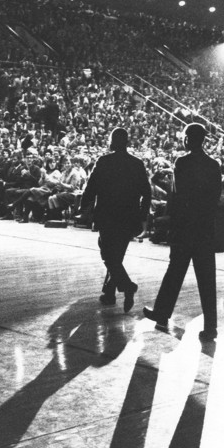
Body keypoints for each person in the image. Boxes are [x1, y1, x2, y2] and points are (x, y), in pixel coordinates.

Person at [143, 123, 223, 343]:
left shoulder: (182, 162)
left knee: (175, 272)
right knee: (207, 279)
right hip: (204, 228)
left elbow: (177, 197)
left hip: (185, 227)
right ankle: (211, 327)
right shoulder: (213, 164)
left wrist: (173, 224)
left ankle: (162, 312)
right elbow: (215, 196)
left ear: (188, 139)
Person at [79, 127, 151, 312]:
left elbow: (91, 187)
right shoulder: (137, 164)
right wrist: (142, 216)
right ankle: (109, 294)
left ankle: (127, 286)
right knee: (116, 256)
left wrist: (83, 207)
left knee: (108, 255)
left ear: (112, 141)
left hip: (107, 215)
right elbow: (146, 192)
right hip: (129, 216)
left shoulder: (104, 161)